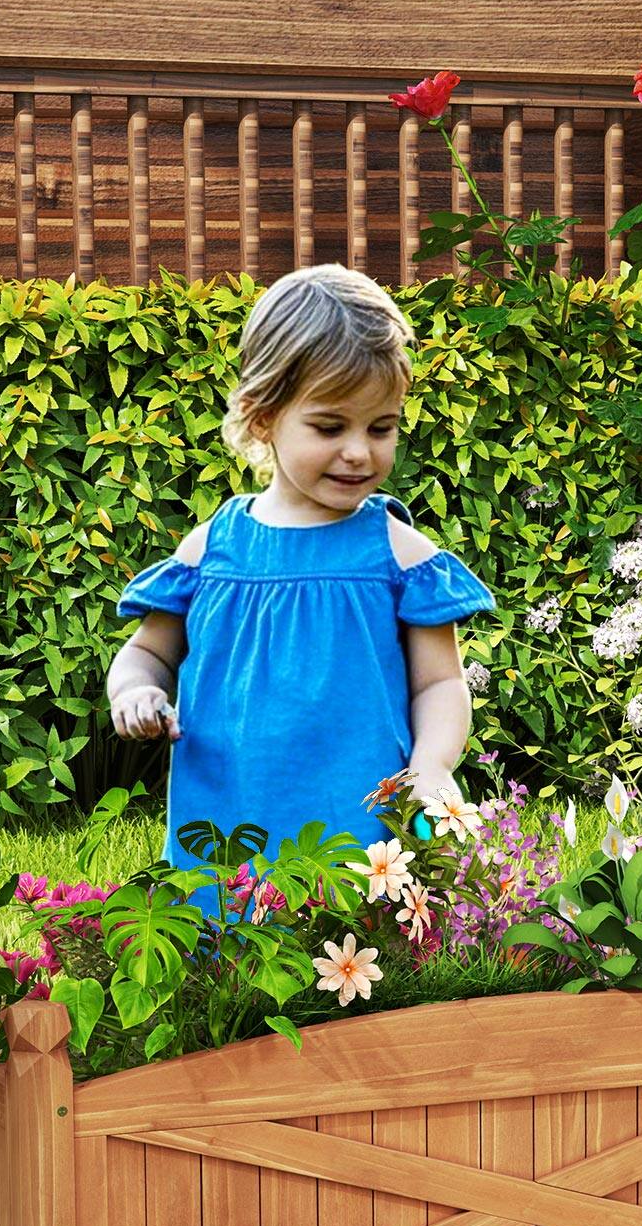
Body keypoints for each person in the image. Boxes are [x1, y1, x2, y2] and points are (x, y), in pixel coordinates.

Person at [105, 263, 495, 922]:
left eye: (381, 428)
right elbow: (149, 654)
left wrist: (431, 769)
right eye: (329, 426)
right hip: (229, 814)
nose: (358, 453)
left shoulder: (398, 553)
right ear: (263, 418)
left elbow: (439, 683)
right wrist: (135, 691)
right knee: (231, 973)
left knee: (360, 961)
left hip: (362, 818)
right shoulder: (213, 549)